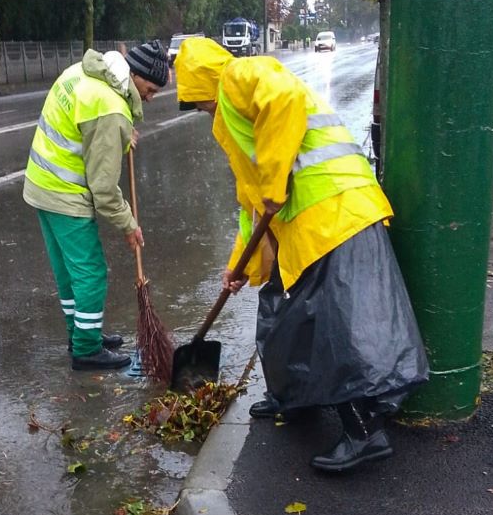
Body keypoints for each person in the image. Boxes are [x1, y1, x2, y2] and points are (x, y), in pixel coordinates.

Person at [174, 37, 429, 472]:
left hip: (335, 210)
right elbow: (252, 204)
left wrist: (274, 185)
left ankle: (364, 433)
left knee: (332, 329)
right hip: (311, 221)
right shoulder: (231, 119)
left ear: (204, 85)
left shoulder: (238, 76)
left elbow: (285, 100)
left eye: (197, 101)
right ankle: (293, 398)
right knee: (287, 315)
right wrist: (239, 266)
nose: (201, 110)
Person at [23, 40, 169, 371]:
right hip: (64, 191)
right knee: (91, 273)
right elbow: (103, 190)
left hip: (41, 183)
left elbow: (88, 129)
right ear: (134, 75)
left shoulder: (87, 72)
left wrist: (119, 135)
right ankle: (86, 349)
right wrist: (129, 224)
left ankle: (80, 333)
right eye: (150, 90)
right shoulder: (111, 109)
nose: (150, 98)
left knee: (68, 272)